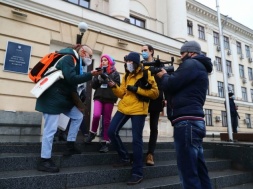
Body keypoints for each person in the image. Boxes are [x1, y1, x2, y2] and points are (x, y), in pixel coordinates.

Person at [36, 44, 102, 173]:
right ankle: (44, 160)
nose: (89, 58)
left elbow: (71, 85)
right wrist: (91, 74)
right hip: (52, 99)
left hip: (62, 99)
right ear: (82, 52)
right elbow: (71, 79)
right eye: (89, 55)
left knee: (78, 116)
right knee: (50, 129)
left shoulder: (76, 61)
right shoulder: (68, 58)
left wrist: (78, 103)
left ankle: (70, 144)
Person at [156, 41, 213, 189]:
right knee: (200, 170)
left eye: (182, 53)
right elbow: (180, 89)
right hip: (194, 122)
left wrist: (163, 75)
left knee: (188, 172)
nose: (181, 57)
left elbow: (171, 84)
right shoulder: (199, 67)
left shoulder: (192, 64)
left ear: (191, 52)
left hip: (187, 123)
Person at [107, 52, 159, 185]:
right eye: (126, 62)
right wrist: (114, 87)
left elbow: (155, 93)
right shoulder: (126, 74)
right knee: (111, 131)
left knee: (137, 140)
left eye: (129, 62)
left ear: (135, 63)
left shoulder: (146, 73)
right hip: (124, 107)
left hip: (138, 110)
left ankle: (137, 172)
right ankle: (124, 157)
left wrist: (137, 89)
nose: (127, 64)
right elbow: (122, 93)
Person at [85, 54, 120, 153]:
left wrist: (107, 78)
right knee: (96, 115)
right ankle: (92, 133)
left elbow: (117, 86)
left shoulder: (115, 73)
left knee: (106, 121)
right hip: (99, 97)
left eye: (105, 60)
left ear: (109, 62)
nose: (103, 61)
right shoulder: (98, 71)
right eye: (102, 60)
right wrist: (99, 78)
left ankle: (105, 142)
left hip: (109, 98)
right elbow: (93, 85)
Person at [141, 44, 164, 166]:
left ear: (151, 52)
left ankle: (150, 154)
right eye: (142, 50)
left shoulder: (159, 64)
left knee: (153, 127)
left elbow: (164, 81)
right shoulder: (140, 64)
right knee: (138, 124)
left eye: (145, 50)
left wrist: (164, 98)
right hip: (142, 97)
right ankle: (138, 152)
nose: (143, 52)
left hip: (156, 98)